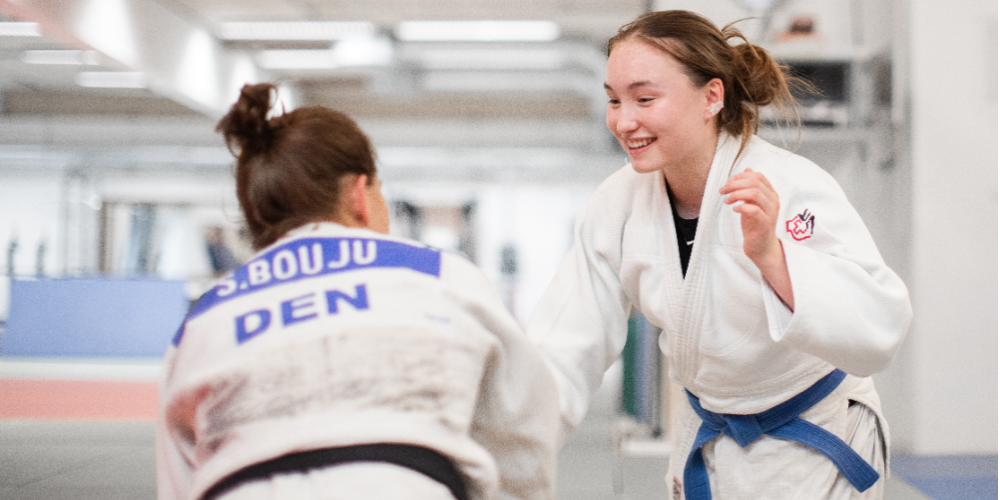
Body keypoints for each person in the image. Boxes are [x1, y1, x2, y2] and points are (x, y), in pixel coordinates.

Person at [526, 10, 911, 500]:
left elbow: (878, 330)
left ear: (711, 96)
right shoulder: (616, 204)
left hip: (816, 439)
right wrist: (504, 450)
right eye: (614, 100)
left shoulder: (789, 186)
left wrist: (773, 257)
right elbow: (565, 343)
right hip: (710, 440)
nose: (624, 121)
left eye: (644, 98)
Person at [157, 83, 560, 500]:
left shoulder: (202, 321)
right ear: (359, 194)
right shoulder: (439, 274)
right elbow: (523, 429)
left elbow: (178, 482)